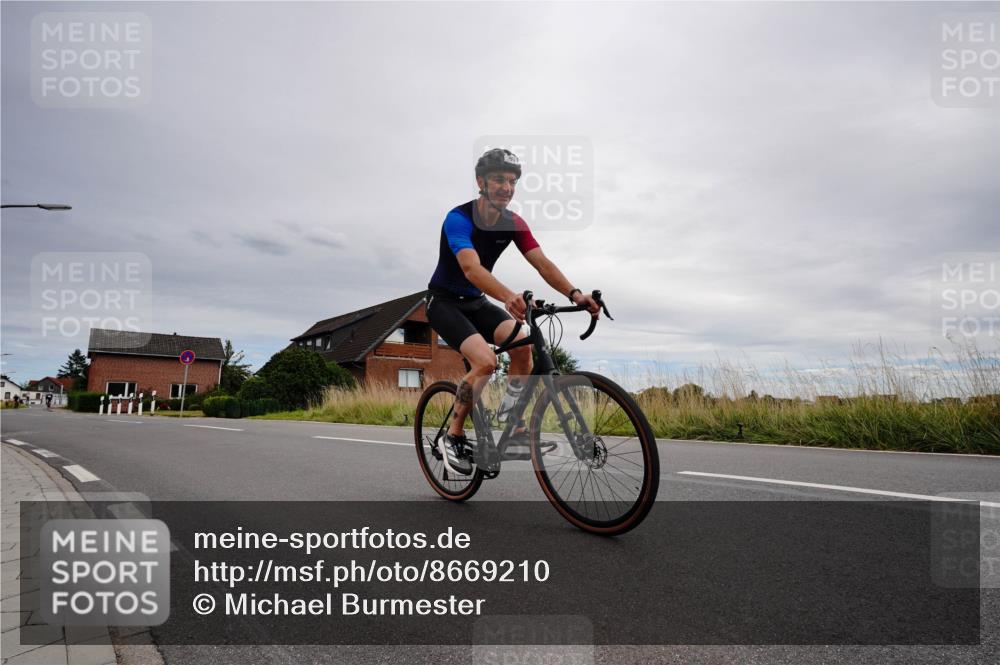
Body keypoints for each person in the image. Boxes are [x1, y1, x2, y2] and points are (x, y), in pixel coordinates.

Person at [426, 148, 600, 475]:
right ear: (481, 182)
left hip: (476, 302)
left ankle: (512, 421)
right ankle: (454, 435)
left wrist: (575, 294)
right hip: (444, 302)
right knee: (486, 361)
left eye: (512, 181)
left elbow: (542, 263)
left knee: (523, 348)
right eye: (498, 180)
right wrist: (508, 296)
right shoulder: (459, 219)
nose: (506, 187)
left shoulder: (513, 223)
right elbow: (471, 269)